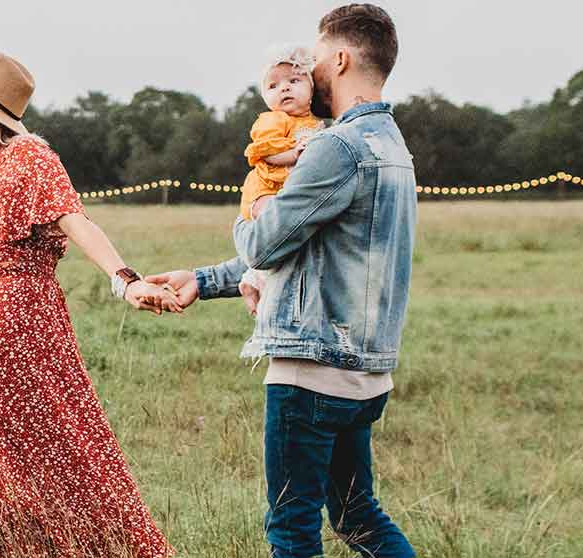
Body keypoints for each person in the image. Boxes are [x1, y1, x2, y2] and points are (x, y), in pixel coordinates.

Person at [146, 5, 419, 557]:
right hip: (365, 370)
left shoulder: (335, 148)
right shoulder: (393, 148)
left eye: (314, 59)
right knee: (357, 515)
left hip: (311, 370)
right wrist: (205, 278)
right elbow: (307, 249)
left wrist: (250, 202)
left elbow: (265, 242)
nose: (307, 71)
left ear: (339, 59)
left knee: (292, 531)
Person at [0, 50, 177, 557]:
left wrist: (125, 280)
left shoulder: (29, 158)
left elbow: (75, 220)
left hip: (19, 329)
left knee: (59, 453)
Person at [238, 44, 327, 315]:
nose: (284, 89)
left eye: (294, 81)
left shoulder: (316, 124)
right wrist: (293, 154)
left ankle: (255, 281)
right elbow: (264, 153)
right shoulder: (273, 120)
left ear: (312, 89)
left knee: (289, 236)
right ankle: (256, 279)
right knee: (275, 226)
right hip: (265, 188)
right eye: (273, 86)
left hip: (285, 189)